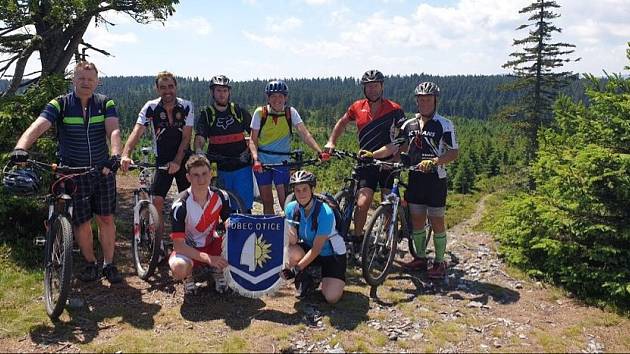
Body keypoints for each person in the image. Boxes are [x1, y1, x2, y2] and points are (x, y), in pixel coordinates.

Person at [10, 61, 123, 283]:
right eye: (81, 78)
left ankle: (109, 264)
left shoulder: (104, 103)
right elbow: (39, 125)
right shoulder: (60, 104)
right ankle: (91, 263)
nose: (85, 83)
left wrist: (115, 155)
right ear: (73, 79)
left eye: (90, 79)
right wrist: (21, 148)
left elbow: (114, 130)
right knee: (81, 222)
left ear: (97, 82)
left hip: (102, 171)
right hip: (71, 172)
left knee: (106, 218)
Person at [375, 82, 459, 278]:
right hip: (414, 177)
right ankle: (420, 258)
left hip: (435, 179)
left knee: (437, 220)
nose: (424, 103)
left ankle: (439, 262)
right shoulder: (408, 124)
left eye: (428, 99)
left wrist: (435, 161)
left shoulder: (444, 124)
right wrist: (375, 156)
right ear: (417, 101)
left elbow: (454, 152)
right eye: (421, 99)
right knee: (417, 220)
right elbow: (396, 147)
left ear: (435, 101)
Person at [324, 69, 406, 249]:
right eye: (369, 87)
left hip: (388, 163)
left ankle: (385, 240)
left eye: (375, 86)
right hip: (366, 162)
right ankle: (358, 238)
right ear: (364, 89)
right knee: (362, 203)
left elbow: (403, 139)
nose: (372, 90)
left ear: (382, 87)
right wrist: (331, 141)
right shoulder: (357, 107)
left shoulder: (395, 109)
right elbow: (342, 122)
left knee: (387, 203)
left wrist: (396, 159)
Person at [121, 71, 194, 235]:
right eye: (163, 87)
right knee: (157, 201)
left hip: (184, 158)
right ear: (157, 89)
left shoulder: (187, 106)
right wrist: (126, 154)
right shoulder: (151, 107)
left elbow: (186, 138)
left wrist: (177, 161)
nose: (167, 91)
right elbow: (137, 131)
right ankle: (158, 244)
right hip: (162, 158)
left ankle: (189, 241)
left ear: (176, 87)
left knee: (189, 202)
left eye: (170, 87)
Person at [249, 80, 329, 214]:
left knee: (285, 201)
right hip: (263, 163)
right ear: (268, 98)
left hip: (282, 163)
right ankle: (271, 230)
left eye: (280, 96)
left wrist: (319, 151)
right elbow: (253, 139)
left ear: (285, 97)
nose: (277, 100)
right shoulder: (260, 113)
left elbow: (305, 134)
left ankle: (291, 228)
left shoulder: (290, 113)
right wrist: (256, 159)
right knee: (267, 201)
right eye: (273, 96)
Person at [168, 154, 231, 295]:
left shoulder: (221, 196)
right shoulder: (180, 204)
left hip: (211, 244)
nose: (201, 179)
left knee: (236, 243)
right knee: (178, 268)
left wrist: (230, 225)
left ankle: (218, 270)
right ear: (188, 177)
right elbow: (178, 245)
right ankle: (188, 276)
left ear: (211, 174)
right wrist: (208, 258)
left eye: (204, 173)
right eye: (195, 175)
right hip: (188, 250)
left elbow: (231, 223)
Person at [282, 170, 346, 303]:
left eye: (305, 189)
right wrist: (283, 224)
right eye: (297, 190)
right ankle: (307, 280)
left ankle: (321, 275)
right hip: (309, 248)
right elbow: (293, 240)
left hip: (331, 254)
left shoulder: (325, 213)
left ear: (312, 189)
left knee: (331, 298)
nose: (301, 194)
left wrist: (296, 269)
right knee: (290, 251)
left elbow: (317, 249)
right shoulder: (291, 208)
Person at [194, 75, 254, 212]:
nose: (222, 94)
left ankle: (246, 232)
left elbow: (254, 133)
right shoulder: (207, 114)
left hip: (241, 164)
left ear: (229, 92)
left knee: (245, 206)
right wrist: (198, 150)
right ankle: (225, 232)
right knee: (223, 207)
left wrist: (251, 152)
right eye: (218, 91)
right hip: (218, 166)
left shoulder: (238, 111)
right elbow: (200, 137)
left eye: (225, 91)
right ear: (212, 92)